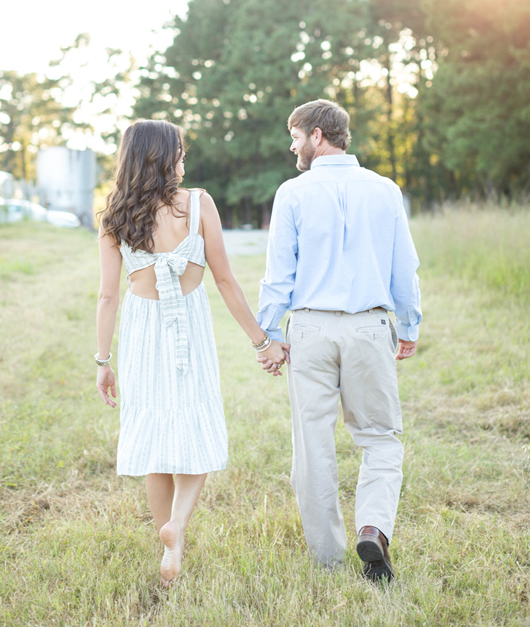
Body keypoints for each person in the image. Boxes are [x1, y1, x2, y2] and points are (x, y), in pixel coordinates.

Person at [95, 119, 288, 587]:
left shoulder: (115, 214)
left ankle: (172, 546)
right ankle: (176, 525)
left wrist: (103, 362)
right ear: (163, 156)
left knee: (155, 439)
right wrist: (262, 341)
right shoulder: (198, 204)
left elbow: (107, 296)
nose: (184, 160)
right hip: (189, 325)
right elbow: (224, 280)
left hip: (141, 331)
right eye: (179, 152)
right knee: (198, 424)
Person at [256, 99, 422, 582]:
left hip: (309, 328)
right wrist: (408, 326)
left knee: (313, 444)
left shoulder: (292, 193)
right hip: (370, 327)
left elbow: (277, 276)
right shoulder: (385, 190)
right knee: (381, 438)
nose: (292, 146)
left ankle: (327, 559)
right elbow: (404, 268)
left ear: (317, 136)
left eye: (295, 136)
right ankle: (372, 526)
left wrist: (269, 334)